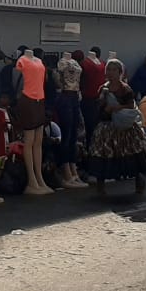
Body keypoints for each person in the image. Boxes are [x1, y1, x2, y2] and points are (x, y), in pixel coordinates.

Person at [86, 59, 146, 195]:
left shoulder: (125, 89)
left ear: (120, 72)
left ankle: (139, 179)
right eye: (109, 70)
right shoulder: (103, 88)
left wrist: (116, 108)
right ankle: (100, 185)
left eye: (114, 70)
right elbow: (98, 106)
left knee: (131, 153)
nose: (111, 73)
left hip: (124, 128)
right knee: (102, 154)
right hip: (106, 127)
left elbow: (131, 106)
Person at [54, 50, 85, 189]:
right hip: (65, 96)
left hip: (74, 97)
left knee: (73, 135)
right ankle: (66, 170)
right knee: (66, 135)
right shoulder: (62, 63)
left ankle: (73, 169)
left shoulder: (74, 63)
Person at [80, 47, 107, 147]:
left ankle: (89, 148)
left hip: (88, 99)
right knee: (96, 126)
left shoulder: (84, 64)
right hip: (99, 99)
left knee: (88, 126)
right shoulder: (103, 64)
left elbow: (81, 82)